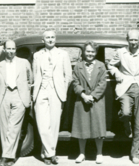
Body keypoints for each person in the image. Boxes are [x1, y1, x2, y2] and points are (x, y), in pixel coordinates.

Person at [107, 30, 139, 164]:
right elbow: (111, 65)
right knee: (125, 112)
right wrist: (117, 73)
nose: (134, 42)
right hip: (125, 87)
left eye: (136, 40)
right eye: (131, 40)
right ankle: (126, 124)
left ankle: (136, 154)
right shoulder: (121, 52)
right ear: (128, 40)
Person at [33, 31, 72, 165]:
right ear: (42, 40)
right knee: (43, 125)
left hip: (57, 92)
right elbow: (35, 74)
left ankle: (46, 154)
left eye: (52, 37)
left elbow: (68, 76)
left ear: (55, 39)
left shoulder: (63, 54)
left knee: (54, 125)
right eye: (47, 37)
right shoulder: (37, 55)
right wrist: (35, 91)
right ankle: (52, 153)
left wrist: (62, 91)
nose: (50, 39)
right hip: (41, 91)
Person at [71, 41, 107, 164]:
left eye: (92, 51)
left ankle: (99, 153)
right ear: (84, 52)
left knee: (98, 128)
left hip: (97, 100)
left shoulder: (101, 65)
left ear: (96, 52)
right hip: (82, 100)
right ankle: (82, 153)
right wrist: (83, 95)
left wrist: (92, 96)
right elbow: (75, 82)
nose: (90, 54)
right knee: (82, 127)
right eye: (88, 51)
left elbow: (103, 83)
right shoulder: (78, 66)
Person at [0, 40, 32, 166]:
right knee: (3, 127)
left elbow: (30, 79)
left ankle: (6, 156)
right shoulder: (0, 64)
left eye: (13, 49)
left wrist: (26, 92)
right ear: (4, 50)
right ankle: (8, 155)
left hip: (19, 95)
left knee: (14, 127)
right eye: (9, 49)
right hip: (4, 96)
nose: (11, 51)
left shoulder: (24, 63)